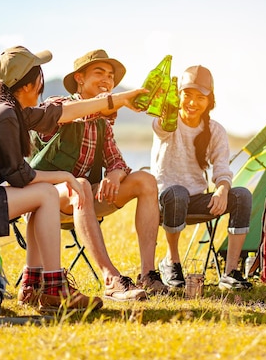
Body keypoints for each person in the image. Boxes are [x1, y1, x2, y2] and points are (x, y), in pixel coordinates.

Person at [0, 46, 146, 313]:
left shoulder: (9, 109)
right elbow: (19, 176)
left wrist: (120, 100)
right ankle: (54, 289)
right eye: (39, 75)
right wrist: (66, 176)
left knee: (44, 193)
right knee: (45, 194)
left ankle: (34, 284)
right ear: (30, 83)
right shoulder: (5, 115)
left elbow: (62, 116)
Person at [34, 49, 168, 301]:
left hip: (84, 199)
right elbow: (79, 113)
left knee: (145, 180)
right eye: (99, 72)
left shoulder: (103, 123)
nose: (107, 79)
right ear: (79, 78)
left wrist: (115, 175)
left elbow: (116, 159)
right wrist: (115, 102)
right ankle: (111, 278)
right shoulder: (56, 105)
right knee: (81, 183)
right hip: (47, 198)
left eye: (111, 75)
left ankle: (148, 274)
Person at [151, 65, 253, 290]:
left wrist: (222, 189)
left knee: (242, 195)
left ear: (210, 101)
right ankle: (172, 262)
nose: (193, 102)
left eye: (200, 97)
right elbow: (160, 127)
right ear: (178, 96)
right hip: (165, 201)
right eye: (187, 95)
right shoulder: (169, 121)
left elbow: (222, 169)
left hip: (196, 199)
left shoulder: (215, 130)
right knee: (177, 193)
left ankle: (231, 272)